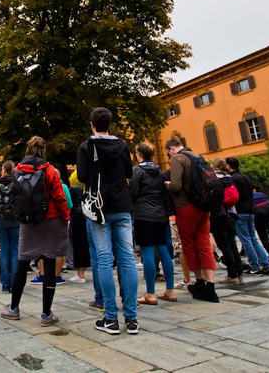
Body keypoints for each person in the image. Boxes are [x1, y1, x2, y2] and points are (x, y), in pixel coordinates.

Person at [77, 107, 139, 335]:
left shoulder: (87, 146)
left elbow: (82, 176)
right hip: (122, 204)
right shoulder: (122, 145)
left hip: (99, 207)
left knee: (103, 260)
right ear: (109, 124)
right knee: (127, 259)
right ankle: (131, 319)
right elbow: (128, 173)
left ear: (92, 124)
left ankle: (111, 318)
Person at [1, 136, 69, 327]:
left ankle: (13, 308)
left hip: (28, 222)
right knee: (48, 264)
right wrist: (64, 218)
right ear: (43, 150)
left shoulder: (18, 170)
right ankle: (46, 314)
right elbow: (60, 197)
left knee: (22, 264)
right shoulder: (49, 170)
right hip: (51, 220)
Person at [164, 139, 219, 303]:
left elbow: (176, 186)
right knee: (203, 243)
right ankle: (211, 286)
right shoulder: (197, 156)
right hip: (203, 206)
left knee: (188, 244)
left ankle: (199, 281)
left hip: (185, 206)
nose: (168, 157)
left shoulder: (177, 159)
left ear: (172, 148)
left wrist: (167, 184)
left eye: (168, 153)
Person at [131, 143, 177, 304]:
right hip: (160, 216)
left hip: (144, 216)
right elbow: (165, 194)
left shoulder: (138, 171)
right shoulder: (159, 171)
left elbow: (134, 192)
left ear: (139, 154)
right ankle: (170, 290)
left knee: (147, 253)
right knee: (164, 252)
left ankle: (150, 293)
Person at [226, 157, 269, 277]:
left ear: (228, 166)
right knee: (253, 238)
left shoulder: (233, 179)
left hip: (240, 211)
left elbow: (234, 196)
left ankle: (255, 265)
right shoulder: (246, 177)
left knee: (245, 239)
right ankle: (266, 264)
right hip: (250, 210)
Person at [209, 158, 244, 286]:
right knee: (233, 244)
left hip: (220, 215)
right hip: (232, 214)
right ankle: (239, 274)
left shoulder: (214, 180)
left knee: (225, 246)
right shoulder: (230, 178)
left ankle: (232, 275)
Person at [0, 161, 20, 293]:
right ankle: (15, 283)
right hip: (15, 218)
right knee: (15, 250)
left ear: (3, 169)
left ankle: (5, 285)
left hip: (1, 218)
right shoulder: (17, 181)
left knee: (4, 251)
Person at [67, 170, 90, 284]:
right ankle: (81, 273)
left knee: (77, 245)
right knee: (84, 245)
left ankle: (80, 274)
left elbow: (68, 204)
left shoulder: (74, 190)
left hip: (76, 218)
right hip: (86, 217)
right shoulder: (86, 188)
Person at [252, 187, 269, 267]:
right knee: (268, 219)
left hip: (258, 211)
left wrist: (255, 224)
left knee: (264, 239)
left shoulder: (249, 196)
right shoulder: (261, 194)